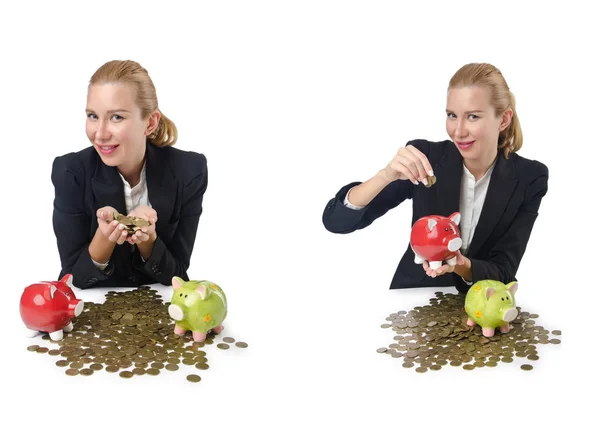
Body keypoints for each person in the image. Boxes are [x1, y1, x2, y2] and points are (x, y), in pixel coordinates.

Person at [322, 63, 548, 293]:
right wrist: (385, 176)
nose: (458, 131)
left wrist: (457, 264)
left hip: (483, 302)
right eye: (452, 115)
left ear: (503, 120)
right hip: (415, 295)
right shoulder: (424, 158)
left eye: (472, 117)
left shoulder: (530, 178)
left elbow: (503, 271)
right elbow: (336, 222)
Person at [52, 60, 208, 289]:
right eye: (93, 116)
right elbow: (73, 279)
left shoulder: (189, 171)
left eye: (116, 117)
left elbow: (176, 275)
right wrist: (104, 238)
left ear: (150, 123)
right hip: (92, 308)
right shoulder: (71, 172)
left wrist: (148, 240)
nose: (100, 134)